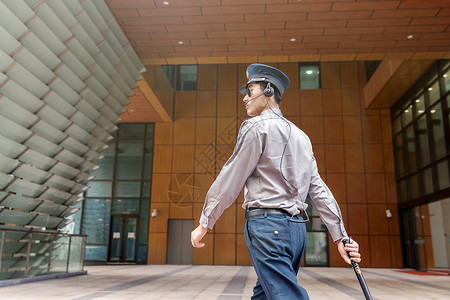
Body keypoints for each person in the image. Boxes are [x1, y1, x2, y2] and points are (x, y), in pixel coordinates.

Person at [191, 63, 361, 299]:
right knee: (266, 294)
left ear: (268, 91)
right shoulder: (302, 137)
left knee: (285, 295)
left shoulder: (255, 127)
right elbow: (319, 190)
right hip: (297, 232)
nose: (244, 98)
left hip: (267, 227)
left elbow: (231, 177)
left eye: (250, 90)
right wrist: (340, 234)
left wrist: (205, 222)